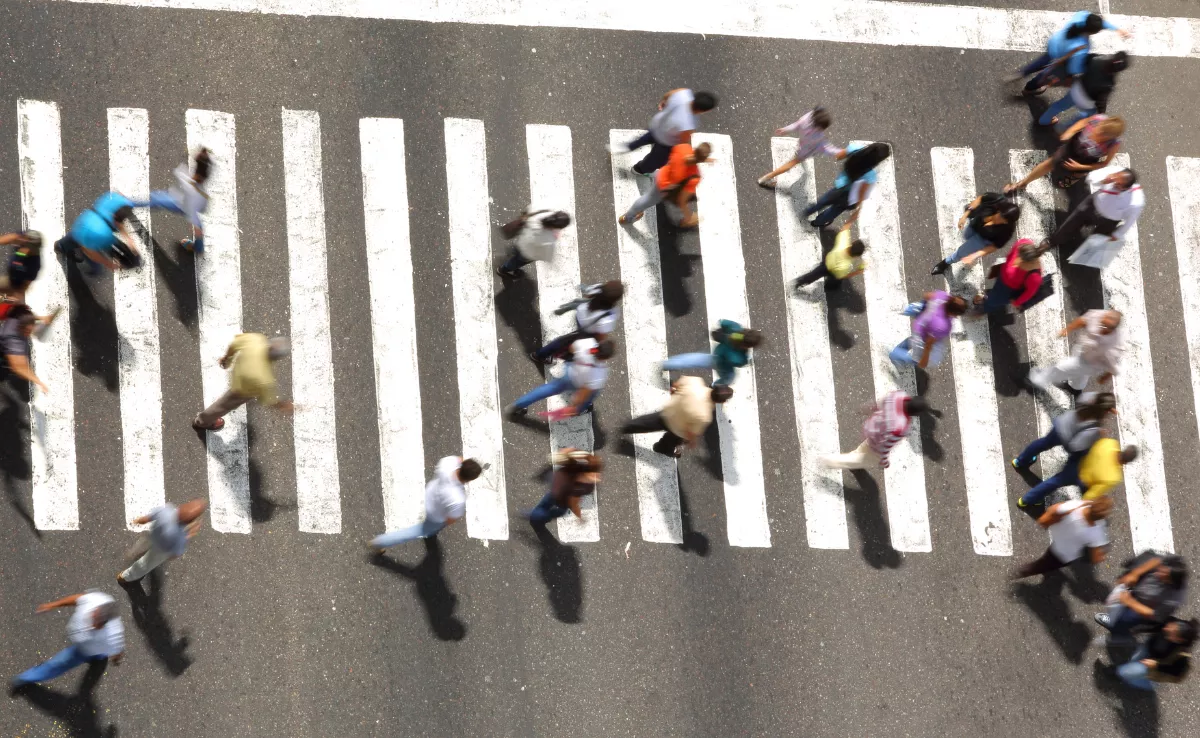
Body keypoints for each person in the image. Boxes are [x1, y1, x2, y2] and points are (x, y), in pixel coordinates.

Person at [10, 590, 124, 689]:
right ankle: (99, 658)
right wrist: (53, 605)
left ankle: (25, 678)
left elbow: (118, 650)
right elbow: (77, 599)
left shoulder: (112, 637)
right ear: (96, 609)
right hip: (90, 646)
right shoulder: (95, 600)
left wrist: (115, 659)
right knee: (99, 656)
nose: (92, 624)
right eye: (94, 616)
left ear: (105, 624)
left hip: (83, 651)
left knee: (57, 664)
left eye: (97, 624)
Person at [368, 457, 482, 551]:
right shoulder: (458, 498)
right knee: (416, 531)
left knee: (426, 529)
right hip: (436, 516)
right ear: (470, 480)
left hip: (430, 495)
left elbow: (458, 459)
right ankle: (380, 541)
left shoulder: (448, 463)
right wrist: (441, 524)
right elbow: (451, 519)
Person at [1042, 168, 1143, 269]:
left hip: (1109, 220)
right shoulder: (1114, 172)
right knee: (1071, 223)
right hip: (1092, 205)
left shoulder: (1136, 201)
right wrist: (1103, 180)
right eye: (1116, 176)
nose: (1114, 180)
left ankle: (1083, 261)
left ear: (1124, 188)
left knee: (1097, 240)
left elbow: (1130, 220)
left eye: (1119, 183)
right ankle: (1052, 241)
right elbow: (1090, 178)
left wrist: (1117, 234)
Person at [192, 333, 293, 431]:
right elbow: (268, 400)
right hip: (242, 390)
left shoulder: (255, 339)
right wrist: (282, 405)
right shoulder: (265, 379)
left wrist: (227, 358)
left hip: (237, 374)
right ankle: (202, 421)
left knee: (228, 398)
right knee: (223, 405)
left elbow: (235, 344)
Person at [1014, 11, 1130, 95]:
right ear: (1092, 33)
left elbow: (1097, 22)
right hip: (1059, 55)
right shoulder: (1082, 46)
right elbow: (1073, 68)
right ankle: (1030, 88)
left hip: (1054, 42)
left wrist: (1117, 29)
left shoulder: (1081, 16)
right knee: (1046, 74)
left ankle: (1023, 72)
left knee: (1041, 61)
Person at [610, 89, 718, 176]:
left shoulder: (684, 93)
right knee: (655, 160)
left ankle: (623, 147)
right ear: (702, 110)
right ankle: (639, 170)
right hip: (666, 142)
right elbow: (682, 142)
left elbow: (668, 95)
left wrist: (663, 102)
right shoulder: (689, 123)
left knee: (642, 140)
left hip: (657, 125)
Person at [1005, 114, 1124, 193]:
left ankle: (1072, 179)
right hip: (1073, 146)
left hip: (1086, 160)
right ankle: (1023, 183)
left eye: (1103, 134)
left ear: (1111, 137)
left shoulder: (1114, 144)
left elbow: (1104, 163)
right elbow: (1082, 123)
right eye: (1100, 129)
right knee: (1050, 163)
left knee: (1076, 174)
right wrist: (1070, 132)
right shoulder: (1098, 119)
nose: (1098, 132)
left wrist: (1081, 167)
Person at [1018, 432, 1138, 507]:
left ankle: (1026, 500)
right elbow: (1093, 493)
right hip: (1084, 481)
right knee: (1055, 483)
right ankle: (1027, 501)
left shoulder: (1110, 443)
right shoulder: (1114, 477)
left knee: (1054, 482)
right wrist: (1082, 505)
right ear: (1127, 462)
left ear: (1123, 449)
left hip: (1076, 464)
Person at [621, 378, 733, 458]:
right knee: (669, 442)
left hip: (669, 411)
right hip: (677, 430)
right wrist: (692, 442)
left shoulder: (696, 382)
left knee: (646, 422)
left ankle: (625, 427)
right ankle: (661, 448)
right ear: (722, 401)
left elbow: (675, 385)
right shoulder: (705, 416)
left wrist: (675, 395)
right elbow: (691, 432)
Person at [506, 337, 613, 419]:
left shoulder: (588, 343)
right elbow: (584, 393)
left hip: (569, 373)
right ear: (605, 358)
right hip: (577, 382)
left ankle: (517, 405)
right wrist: (576, 407)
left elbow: (571, 349)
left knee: (549, 388)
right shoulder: (599, 373)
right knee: (589, 398)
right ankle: (585, 408)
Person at [821, 392, 929, 470]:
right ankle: (830, 461)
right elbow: (885, 445)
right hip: (876, 443)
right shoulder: (901, 427)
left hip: (871, 427)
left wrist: (866, 409)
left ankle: (854, 457)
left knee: (863, 449)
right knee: (860, 460)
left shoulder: (898, 396)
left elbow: (878, 404)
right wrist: (883, 461)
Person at [1011, 390, 1114, 473]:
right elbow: (1076, 445)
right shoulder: (1095, 425)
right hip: (1066, 437)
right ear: (1106, 412)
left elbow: (1083, 399)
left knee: (1043, 443)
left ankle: (1020, 461)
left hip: (1062, 423)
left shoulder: (1091, 397)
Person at [131, 147, 211, 252]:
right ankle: (198, 247)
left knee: (156, 199)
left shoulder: (186, 181)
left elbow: (180, 177)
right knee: (199, 228)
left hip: (179, 204)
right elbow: (202, 208)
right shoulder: (203, 194)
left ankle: (129, 203)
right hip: (189, 207)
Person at [1012, 497, 1111, 579]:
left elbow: (1055, 509)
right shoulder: (1096, 532)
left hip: (1057, 539)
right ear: (1101, 517)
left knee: (1047, 558)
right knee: (1043, 564)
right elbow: (1096, 558)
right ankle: (1023, 571)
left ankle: (1031, 570)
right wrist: (1101, 556)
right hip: (1065, 553)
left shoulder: (1078, 505)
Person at [1028, 309, 1123, 394]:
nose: (1101, 327)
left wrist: (1105, 377)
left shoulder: (1113, 347)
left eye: (1105, 327)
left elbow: (1114, 368)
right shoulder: (1100, 315)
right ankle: (1076, 388)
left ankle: (1038, 379)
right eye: (1102, 323)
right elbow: (1083, 320)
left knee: (1061, 368)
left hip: (1089, 364)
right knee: (1080, 376)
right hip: (1082, 349)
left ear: (1112, 329)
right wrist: (1068, 329)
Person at [618, 142, 711, 228]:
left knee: (647, 197)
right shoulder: (694, 176)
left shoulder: (684, 148)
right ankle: (627, 218)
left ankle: (628, 216)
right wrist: (688, 217)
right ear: (701, 160)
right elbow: (682, 200)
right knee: (646, 200)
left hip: (662, 174)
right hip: (664, 189)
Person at [1097, 554, 1189, 641]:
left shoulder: (1173, 601)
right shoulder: (1174, 563)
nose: (1158, 573)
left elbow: (1153, 614)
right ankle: (1115, 619)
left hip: (1141, 608)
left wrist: (1130, 602)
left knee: (1125, 619)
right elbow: (1157, 560)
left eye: (1164, 575)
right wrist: (1135, 573)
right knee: (1117, 605)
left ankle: (1116, 629)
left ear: (1171, 582)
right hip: (1137, 590)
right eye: (1162, 569)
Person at [531, 281, 624, 365]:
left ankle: (544, 354)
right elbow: (601, 335)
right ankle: (540, 355)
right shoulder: (608, 317)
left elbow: (588, 295)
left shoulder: (599, 288)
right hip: (586, 330)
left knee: (568, 341)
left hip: (580, 314)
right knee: (566, 344)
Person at [116, 500, 208, 584]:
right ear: (189, 522)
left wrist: (138, 521)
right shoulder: (180, 537)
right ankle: (126, 577)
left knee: (143, 544)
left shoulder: (167, 511)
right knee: (145, 564)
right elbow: (175, 554)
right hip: (160, 550)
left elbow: (148, 518)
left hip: (153, 535)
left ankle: (134, 554)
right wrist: (190, 533)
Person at [929, 193, 1019, 276]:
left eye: (1003, 219)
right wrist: (965, 215)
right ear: (999, 209)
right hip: (975, 224)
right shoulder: (998, 200)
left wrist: (974, 255)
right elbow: (980, 199)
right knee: (966, 236)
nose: (998, 218)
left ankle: (946, 263)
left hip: (983, 239)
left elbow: (994, 246)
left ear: (1007, 222)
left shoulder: (1007, 230)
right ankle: (968, 251)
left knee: (961, 252)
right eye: (1000, 214)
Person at [805, 142, 890, 229]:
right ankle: (817, 222)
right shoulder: (870, 176)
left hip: (841, 184)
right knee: (834, 210)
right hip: (848, 197)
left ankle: (809, 211)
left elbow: (839, 156)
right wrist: (858, 206)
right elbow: (861, 193)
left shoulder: (855, 148)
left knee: (826, 199)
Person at [54, 191, 140, 273]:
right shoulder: (102, 234)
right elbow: (89, 251)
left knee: (77, 239)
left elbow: (119, 222)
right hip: (83, 234)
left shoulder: (115, 200)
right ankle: (60, 247)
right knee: (93, 262)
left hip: (86, 220)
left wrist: (129, 240)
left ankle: (62, 245)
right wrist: (109, 264)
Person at [757, 106, 843, 187]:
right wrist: (842, 152)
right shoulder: (817, 136)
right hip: (805, 151)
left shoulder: (807, 117)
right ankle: (768, 176)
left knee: (797, 155)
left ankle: (767, 177)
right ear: (820, 126)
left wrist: (785, 130)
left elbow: (796, 125)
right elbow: (826, 148)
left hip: (802, 143)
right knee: (791, 164)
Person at [1039, 51, 1129, 127]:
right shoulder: (1109, 83)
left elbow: (1080, 64)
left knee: (1060, 105)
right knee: (1087, 115)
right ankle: (1064, 129)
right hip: (1086, 102)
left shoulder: (1096, 59)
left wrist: (1069, 77)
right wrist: (1102, 114)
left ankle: (1044, 120)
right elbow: (1101, 101)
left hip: (1076, 89)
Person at [661, 319, 761, 387]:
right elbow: (740, 363)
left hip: (718, 351)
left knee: (694, 359)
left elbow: (723, 322)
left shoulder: (735, 328)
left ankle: (667, 364)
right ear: (747, 345)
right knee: (729, 378)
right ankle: (715, 388)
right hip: (721, 363)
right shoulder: (739, 357)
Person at [521, 448, 601, 527]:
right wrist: (579, 517)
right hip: (561, 499)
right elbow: (573, 503)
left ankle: (535, 513)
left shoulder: (577, 467)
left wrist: (577, 454)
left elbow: (585, 456)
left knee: (546, 502)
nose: (597, 477)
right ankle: (535, 517)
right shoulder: (583, 487)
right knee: (555, 512)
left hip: (556, 484)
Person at [889, 291, 968, 369]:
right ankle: (894, 354)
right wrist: (924, 361)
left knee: (911, 340)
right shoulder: (943, 326)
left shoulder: (942, 296)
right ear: (954, 313)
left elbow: (927, 296)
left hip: (919, 325)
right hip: (922, 337)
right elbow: (928, 344)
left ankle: (898, 350)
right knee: (916, 359)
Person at [1115, 617, 1196, 690]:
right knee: (1133, 660)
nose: (1166, 629)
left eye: (1172, 633)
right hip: (1148, 648)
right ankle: (1130, 673)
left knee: (1125, 672)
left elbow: (1176, 672)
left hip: (1156, 664)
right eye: (1171, 626)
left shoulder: (1182, 655)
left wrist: (1156, 665)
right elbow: (1154, 626)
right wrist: (1136, 630)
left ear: (1179, 640)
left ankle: (1148, 684)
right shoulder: (1171, 623)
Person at [970, 239, 1043, 316]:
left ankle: (984, 308)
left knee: (993, 301)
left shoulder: (1035, 277)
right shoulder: (1023, 243)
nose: (1015, 263)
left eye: (1021, 263)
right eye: (1018, 256)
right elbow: (1010, 255)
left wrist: (1016, 302)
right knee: (994, 292)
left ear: (1029, 264)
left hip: (1008, 291)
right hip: (1001, 279)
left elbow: (1030, 293)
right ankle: (990, 296)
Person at [0, 303, 58, 395]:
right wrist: (39, 382)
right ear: (22, 329)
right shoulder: (13, 340)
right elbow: (18, 368)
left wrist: (43, 318)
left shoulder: (20, 314)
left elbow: (28, 317)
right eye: (28, 331)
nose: (30, 333)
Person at [496, 209, 571, 278]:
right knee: (516, 262)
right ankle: (502, 270)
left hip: (521, 240)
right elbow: (546, 255)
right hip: (527, 253)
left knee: (516, 250)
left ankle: (511, 253)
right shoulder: (549, 239)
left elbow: (529, 211)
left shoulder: (544, 214)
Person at [792, 221, 866, 292]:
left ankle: (798, 283)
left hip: (826, 263)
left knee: (813, 275)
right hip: (832, 272)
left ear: (852, 243)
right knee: (835, 281)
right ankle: (830, 287)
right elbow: (841, 276)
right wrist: (857, 272)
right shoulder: (845, 266)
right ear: (856, 256)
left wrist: (855, 214)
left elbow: (846, 226)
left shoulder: (843, 242)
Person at [0, 230, 42, 298]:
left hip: (14, 283)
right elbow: (10, 237)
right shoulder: (21, 238)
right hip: (12, 271)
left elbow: (25, 285)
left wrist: (15, 296)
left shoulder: (34, 265)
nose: (20, 239)